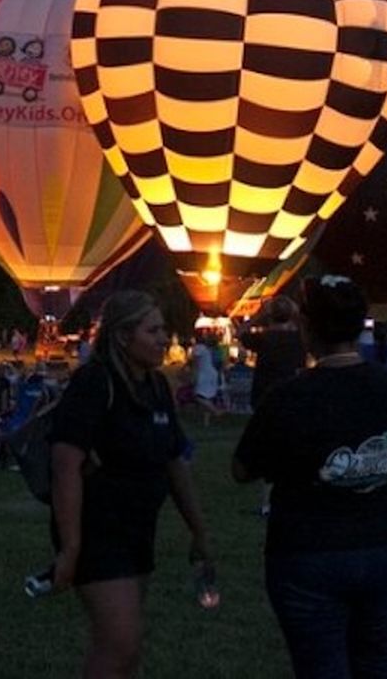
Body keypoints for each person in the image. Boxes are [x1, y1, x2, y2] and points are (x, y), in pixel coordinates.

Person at [233, 275, 387, 678]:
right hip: (382, 544)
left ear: (307, 329)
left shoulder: (287, 397)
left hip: (306, 551)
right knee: (379, 661)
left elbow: (242, 469)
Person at [48, 291, 212, 679]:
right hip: (98, 532)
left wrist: (199, 530)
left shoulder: (156, 387)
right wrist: (71, 548)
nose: (164, 339)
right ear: (123, 336)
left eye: (164, 330)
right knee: (119, 644)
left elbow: (175, 461)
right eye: (152, 330)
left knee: (129, 648)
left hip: (138, 529)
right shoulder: (94, 383)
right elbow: (64, 464)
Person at [239, 296, 306, 516]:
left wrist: (258, 317)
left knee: (269, 449)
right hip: (293, 397)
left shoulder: (265, 339)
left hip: (265, 397)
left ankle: (267, 502)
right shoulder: (299, 339)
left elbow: (241, 332)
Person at [189, 331, 222, 425]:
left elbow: (195, 364)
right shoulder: (206, 349)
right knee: (208, 398)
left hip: (204, 375)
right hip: (212, 373)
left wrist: (193, 376)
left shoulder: (197, 348)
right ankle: (206, 422)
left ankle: (216, 411)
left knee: (198, 396)